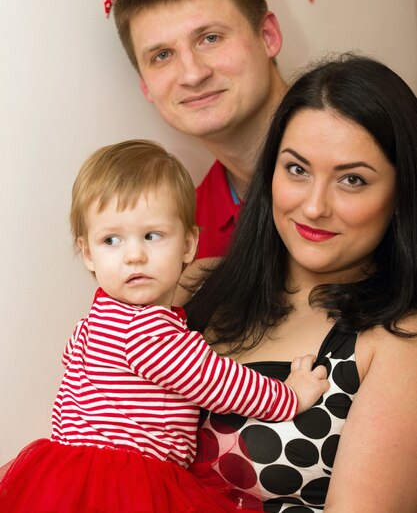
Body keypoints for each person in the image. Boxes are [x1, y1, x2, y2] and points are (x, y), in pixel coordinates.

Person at [0, 140, 329, 513]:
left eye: (152, 236)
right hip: (129, 483)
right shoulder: (146, 331)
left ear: (189, 244)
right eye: (112, 240)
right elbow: (219, 382)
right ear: (88, 253)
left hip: (74, 477)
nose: (134, 254)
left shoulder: (93, 323)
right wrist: (291, 395)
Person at [185, 55, 417, 512]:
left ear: (400, 196)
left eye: (352, 180)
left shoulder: (399, 344)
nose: (313, 207)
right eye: (297, 169)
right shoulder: (195, 287)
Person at [113, 0, 287, 261]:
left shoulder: (376, 145)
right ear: (146, 86)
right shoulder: (184, 238)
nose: (192, 75)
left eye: (210, 38)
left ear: (268, 36)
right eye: (162, 55)